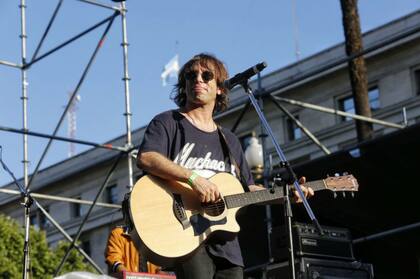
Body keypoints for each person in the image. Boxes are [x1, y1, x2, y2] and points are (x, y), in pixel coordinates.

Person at [136, 53, 314, 279]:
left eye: (206, 75)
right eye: (191, 76)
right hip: (186, 234)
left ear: (220, 87)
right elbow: (147, 157)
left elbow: (247, 189)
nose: (198, 80)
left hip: (227, 246)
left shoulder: (229, 140)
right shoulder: (168, 122)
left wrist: (287, 195)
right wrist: (194, 179)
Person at [105, 198, 160, 277]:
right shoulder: (118, 234)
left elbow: (160, 266)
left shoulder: (154, 236)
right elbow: (114, 259)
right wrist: (130, 276)